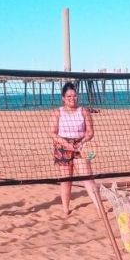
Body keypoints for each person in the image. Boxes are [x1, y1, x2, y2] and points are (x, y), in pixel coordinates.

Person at [49, 82, 102, 216]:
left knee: (88, 178)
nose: (72, 98)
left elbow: (90, 132)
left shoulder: (83, 111)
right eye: (68, 96)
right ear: (63, 98)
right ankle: (66, 209)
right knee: (66, 180)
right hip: (62, 147)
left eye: (74, 96)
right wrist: (66, 145)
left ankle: (100, 208)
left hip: (80, 146)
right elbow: (52, 133)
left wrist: (82, 142)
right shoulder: (57, 112)